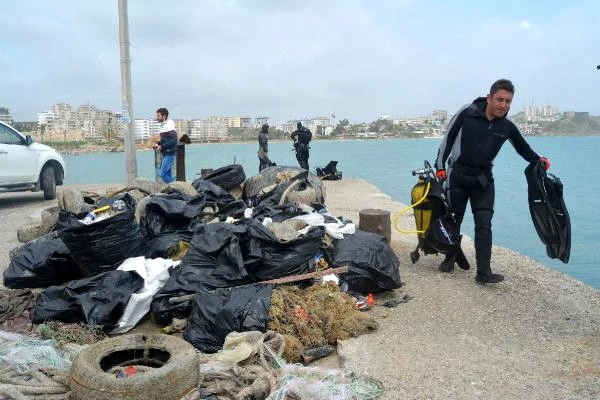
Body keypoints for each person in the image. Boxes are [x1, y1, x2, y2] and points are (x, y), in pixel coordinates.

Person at [434, 79, 551, 284]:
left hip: (483, 180)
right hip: (458, 175)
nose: (503, 105)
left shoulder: (506, 127)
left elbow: (523, 148)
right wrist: (440, 167)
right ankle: (449, 259)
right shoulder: (468, 112)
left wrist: (538, 159)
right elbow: (448, 138)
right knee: (455, 220)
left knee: (484, 224)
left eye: (508, 101)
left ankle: (483, 272)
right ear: (489, 98)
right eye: (499, 99)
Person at [153, 107, 178, 183]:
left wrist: (162, 146)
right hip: (165, 153)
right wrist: (158, 144)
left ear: (164, 116)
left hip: (169, 153)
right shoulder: (164, 125)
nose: (157, 117)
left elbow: (173, 140)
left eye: (158, 116)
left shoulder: (169, 125)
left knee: (162, 174)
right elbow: (166, 140)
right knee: (168, 174)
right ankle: (173, 190)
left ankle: (175, 189)